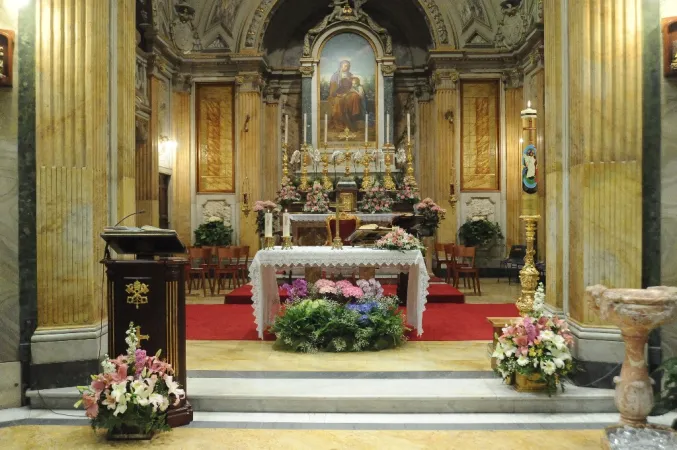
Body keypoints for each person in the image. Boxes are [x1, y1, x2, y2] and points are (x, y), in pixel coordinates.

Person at [328, 60, 365, 131]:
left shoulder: (350, 75)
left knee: (355, 96)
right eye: (345, 66)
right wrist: (339, 94)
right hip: (337, 94)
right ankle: (344, 121)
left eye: (348, 66)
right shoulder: (335, 76)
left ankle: (354, 116)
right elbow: (333, 90)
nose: (347, 67)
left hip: (348, 93)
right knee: (339, 101)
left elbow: (353, 86)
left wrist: (350, 91)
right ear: (341, 66)